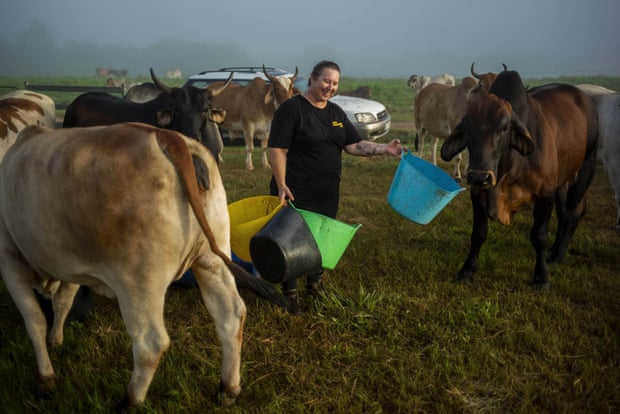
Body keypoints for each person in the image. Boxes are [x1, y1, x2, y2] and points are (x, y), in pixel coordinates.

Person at [268, 60, 403, 313]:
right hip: (296, 189)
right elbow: (278, 149)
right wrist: (281, 184)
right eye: (326, 81)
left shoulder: (336, 113)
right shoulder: (291, 109)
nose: (330, 87)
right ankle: (291, 293)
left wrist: (386, 149)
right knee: (292, 240)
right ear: (312, 79)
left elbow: (353, 145)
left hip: (327, 191)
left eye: (335, 83)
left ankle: (315, 284)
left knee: (320, 237)